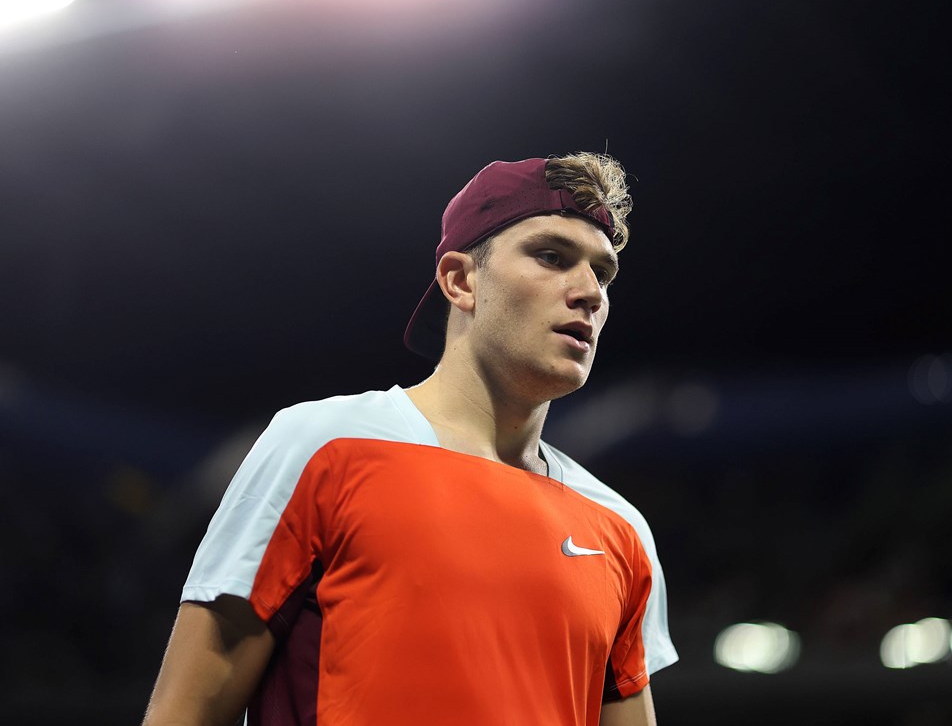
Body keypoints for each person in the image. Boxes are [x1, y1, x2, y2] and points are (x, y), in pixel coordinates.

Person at [142, 152, 678, 726]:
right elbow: (184, 713)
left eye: (602, 272)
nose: (590, 292)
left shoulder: (620, 528)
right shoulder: (324, 444)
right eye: (551, 256)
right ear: (460, 280)